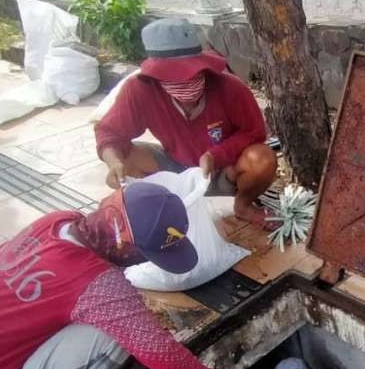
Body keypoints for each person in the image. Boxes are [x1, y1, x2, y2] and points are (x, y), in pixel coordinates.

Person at [0, 182, 229, 369]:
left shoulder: (59, 222)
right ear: (124, 248)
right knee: (124, 323)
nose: (143, 263)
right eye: (145, 256)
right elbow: (161, 353)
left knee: (110, 310)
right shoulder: (96, 283)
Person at [94, 17, 278, 228]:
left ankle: (242, 206)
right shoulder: (140, 89)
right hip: (175, 166)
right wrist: (114, 163)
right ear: (157, 75)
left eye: (192, 75)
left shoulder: (231, 87)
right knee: (125, 158)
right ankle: (167, 207)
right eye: (173, 78)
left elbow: (254, 131)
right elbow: (108, 132)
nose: (185, 84)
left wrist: (215, 156)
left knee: (261, 158)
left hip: (225, 171)